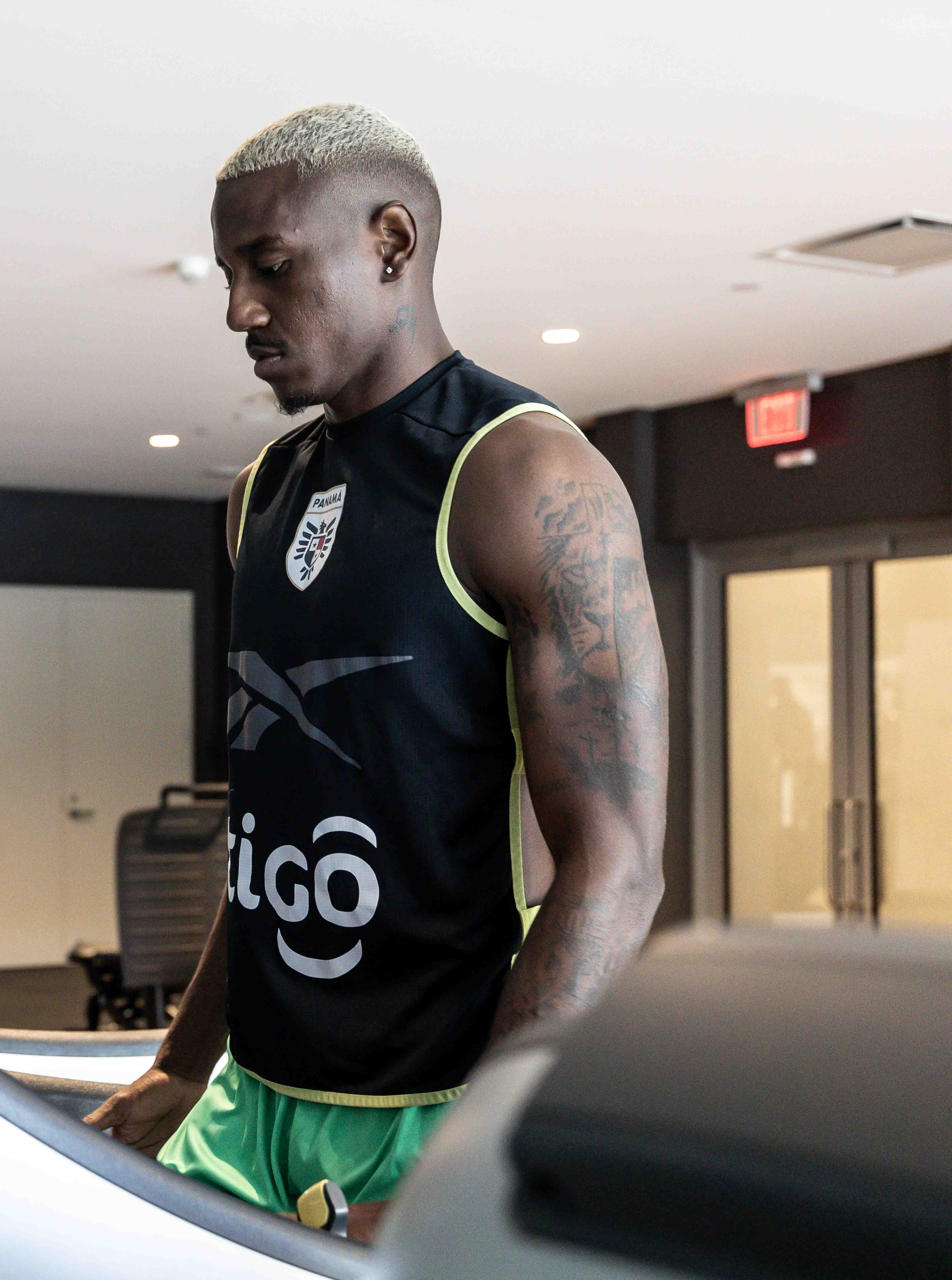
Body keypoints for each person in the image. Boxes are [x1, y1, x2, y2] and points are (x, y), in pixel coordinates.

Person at [85, 104, 668, 1241]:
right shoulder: (262, 491)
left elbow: (620, 864)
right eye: (228, 270)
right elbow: (271, 832)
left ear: (392, 243)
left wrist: (471, 1159)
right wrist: (179, 1061)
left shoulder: (528, 476)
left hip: (435, 1106)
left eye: (271, 265)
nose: (237, 306)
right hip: (249, 1091)